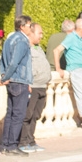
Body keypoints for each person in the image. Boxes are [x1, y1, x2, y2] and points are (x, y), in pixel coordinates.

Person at [0, 14, 33, 156]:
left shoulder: (9, 39)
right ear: (22, 26)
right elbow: (14, 62)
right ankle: (12, 145)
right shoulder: (21, 41)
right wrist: (6, 77)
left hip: (13, 81)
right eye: (29, 25)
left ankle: (6, 145)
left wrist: (3, 76)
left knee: (11, 113)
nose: (30, 27)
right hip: (19, 80)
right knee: (18, 114)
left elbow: (2, 61)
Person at [19, 23, 51, 153]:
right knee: (27, 114)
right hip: (33, 86)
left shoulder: (38, 48)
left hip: (42, 86)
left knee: (36, 115)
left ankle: (31, 141)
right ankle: (23, 142)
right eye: (40, 33)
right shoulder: (26, 48)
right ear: (31, 33)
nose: (41, 36)